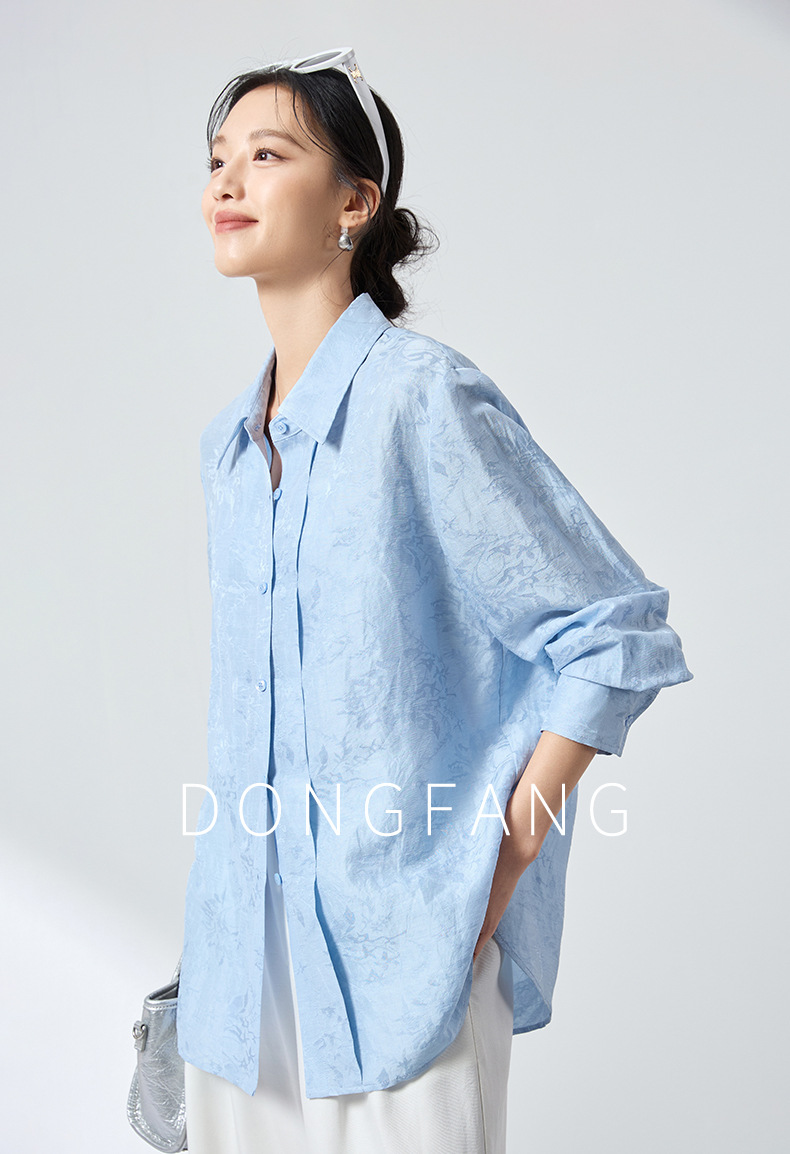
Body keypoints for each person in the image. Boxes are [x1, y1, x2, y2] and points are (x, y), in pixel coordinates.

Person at [175, 47, 693, 1154]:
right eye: (218, 160)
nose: (228, 182)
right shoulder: (229, 448)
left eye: (268, 155)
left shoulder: (422, 398)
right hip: (238, 988)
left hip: (405, 966)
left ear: (354, 204)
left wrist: (495, 865)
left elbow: (613, 630)